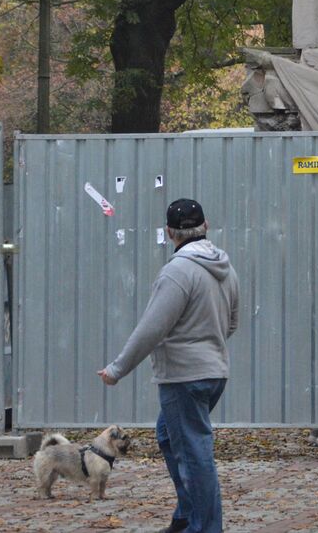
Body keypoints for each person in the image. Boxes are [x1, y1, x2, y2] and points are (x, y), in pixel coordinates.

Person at [98, 199, 239, 533]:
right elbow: (231, 323)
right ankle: (187, 514)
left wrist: (118, 369)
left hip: (183, 376)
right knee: (168, 435)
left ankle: (203, 526)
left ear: (170, 233)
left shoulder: (177, 271)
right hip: (214, 372)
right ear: (206, 227)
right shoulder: (226, 268)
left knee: (193, 453)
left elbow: (152, 328)